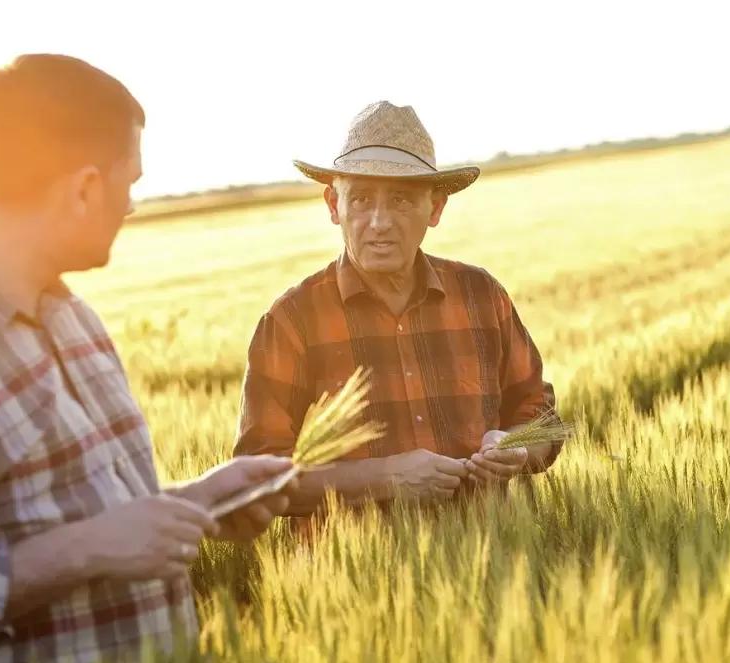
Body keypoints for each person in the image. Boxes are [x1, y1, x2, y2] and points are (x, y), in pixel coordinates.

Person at [0, 54, 293, 663]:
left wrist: (199, 502)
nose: (130, 206)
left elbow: (72, 511)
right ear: (85, 188)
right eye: (131, 184)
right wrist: (84, 550)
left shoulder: (74, 320)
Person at [234, 101, 565, 515]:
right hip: (349, 576)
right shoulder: (290, 323)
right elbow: (256, 479)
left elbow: (544, 419)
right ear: (333, 206)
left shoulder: (482, 296)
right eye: (360, 200)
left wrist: (514, 447)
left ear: (436, 208)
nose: (379, 221)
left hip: (488, 559)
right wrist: (385, 478)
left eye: (401, 201)